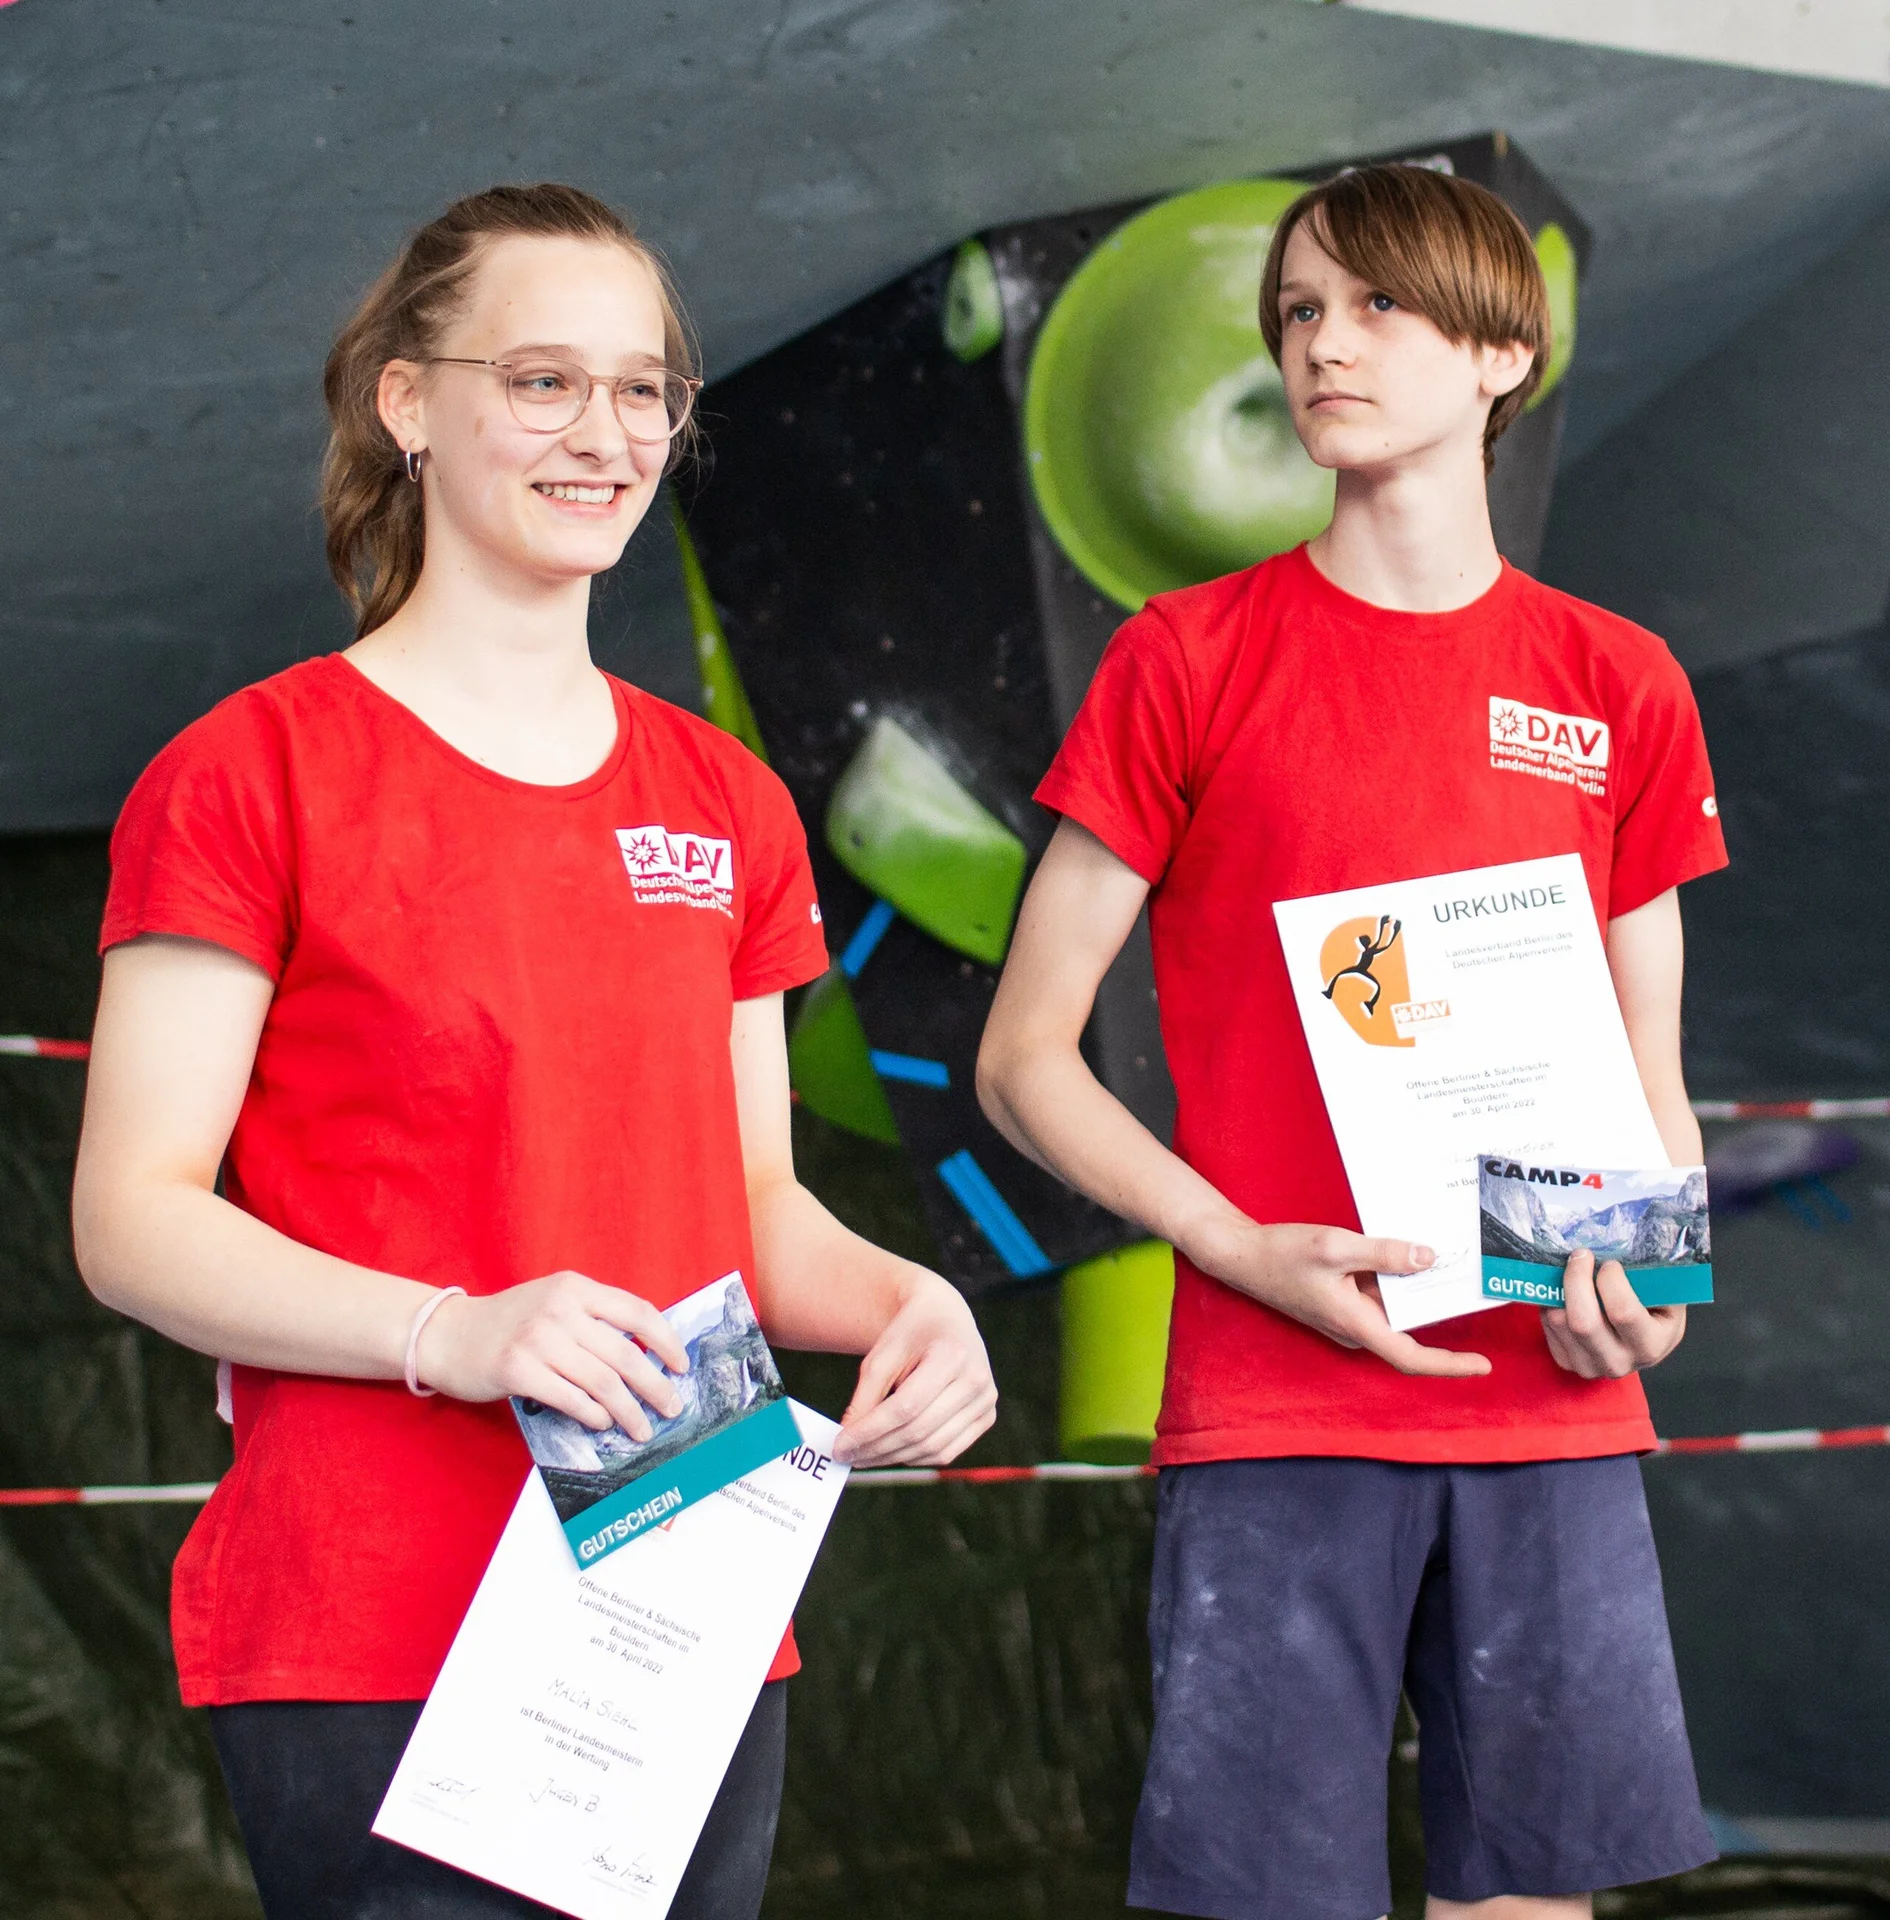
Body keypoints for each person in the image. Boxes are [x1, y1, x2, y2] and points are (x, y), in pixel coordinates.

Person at [72, 182, 997, 1920]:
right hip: (372, 1629)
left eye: (644, 389)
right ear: (406, 405)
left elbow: (754, 1210)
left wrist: (906, 1302)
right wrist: (455, 1331)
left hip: (681, 1606)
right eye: (544, 382)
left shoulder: (724, 800)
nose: (607, 434)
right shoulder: (251, 773)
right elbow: (130, 1219)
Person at [977, 163, 1725, 1920]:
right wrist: (1231, 1245)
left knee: (1531, 1899)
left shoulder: (1616, 679)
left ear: (1501, 352)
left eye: (1377, 305)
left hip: (1554, 1401)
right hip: (1277, 1401)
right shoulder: (1186, 660)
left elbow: (1648, 1058)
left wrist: (1662, 1281)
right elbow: (1023, 1055)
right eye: (1301, 312)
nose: (1325, 343)